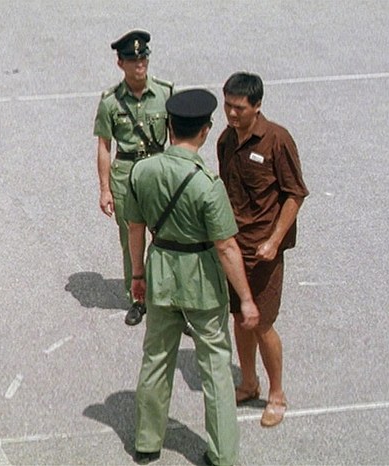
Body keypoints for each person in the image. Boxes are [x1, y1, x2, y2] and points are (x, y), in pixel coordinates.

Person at [124, 88, 260, 466]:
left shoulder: (141, 171)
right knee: (215, 367)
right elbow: (226, 247)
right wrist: (246, 298)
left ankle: (147, 443)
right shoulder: (207, 183)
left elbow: (135, 227)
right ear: (205, 130)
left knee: (155, 358)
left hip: (161, 271)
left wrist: (137, 274)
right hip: (201, 278)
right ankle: (222, 454)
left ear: (170, 127)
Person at [217, 72, 309, 427]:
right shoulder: (226, 140)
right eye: (227, 105)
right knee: (241, 317)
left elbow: (295, 194)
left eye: (239, 108)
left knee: (263, 323)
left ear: (257, 106)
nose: (231, 113)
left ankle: (276, 394)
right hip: (233, 247)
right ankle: (248, 382)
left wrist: (273, 241)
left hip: (263, 252)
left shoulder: (277, 140)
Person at [93, 29, 172, 327]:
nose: (140, 65)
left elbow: (177, 138)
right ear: (120, 63)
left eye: (143, 59)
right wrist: (105, 189)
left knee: (167, 237)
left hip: (158, 172)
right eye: (133, 60)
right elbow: (104, 146)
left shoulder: (165, 93)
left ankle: (168, 299)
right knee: (131, 239)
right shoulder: (110, 102)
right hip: (125, 176)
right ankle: (138, 298)